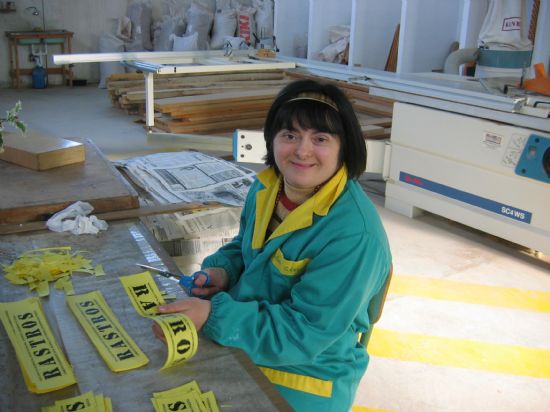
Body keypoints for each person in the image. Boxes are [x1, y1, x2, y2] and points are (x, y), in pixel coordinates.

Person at [154, 79, 392, 411]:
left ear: (345, 147)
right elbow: (245, 248)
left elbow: (305, 332)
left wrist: (212, 315)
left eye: (320, 139)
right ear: (272, 139)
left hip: (306, 372)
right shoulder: (267, 189)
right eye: (290, 135)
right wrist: (222, 271)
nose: (302, 150)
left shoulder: (353, 235)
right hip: (252, 334)